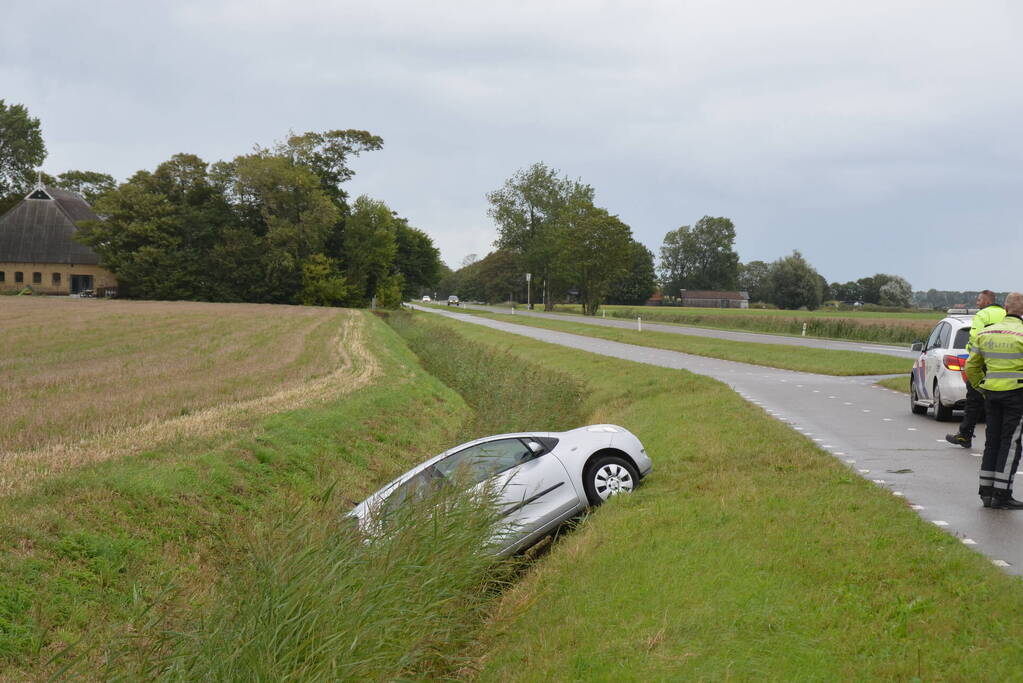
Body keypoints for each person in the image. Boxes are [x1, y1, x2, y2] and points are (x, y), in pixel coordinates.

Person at [965, 291, 1023, 509]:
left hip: (991, 394)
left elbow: (971, 366)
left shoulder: (987, 332)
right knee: (1010, 443)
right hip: (1016, 394)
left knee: (992, 441)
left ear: (1006, 309)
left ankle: (986, 491)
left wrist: (981, 386)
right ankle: (1002, 493)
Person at [946, 290, 1006, 448]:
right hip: (1003, 364)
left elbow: (975, 338)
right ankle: (999, 438)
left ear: (987, 301)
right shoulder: (1007, 314)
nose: (977, 302)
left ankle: (965, 436)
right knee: (1001, 401)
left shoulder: (982, 315)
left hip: (983, 362)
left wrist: (971, 354)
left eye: (979, 300)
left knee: (974, 400)